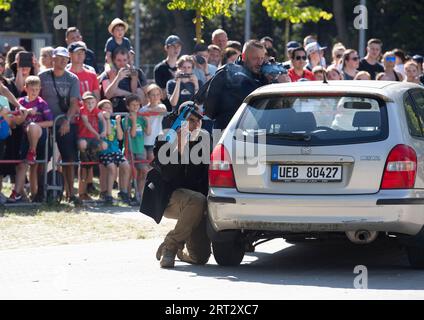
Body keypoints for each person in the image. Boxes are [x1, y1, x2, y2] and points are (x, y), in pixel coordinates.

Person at [143, 101, 211, 268]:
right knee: (196, 200)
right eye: (191, 121)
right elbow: (167, 176)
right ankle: (171, 245)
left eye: (198, 121)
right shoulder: (164, 139)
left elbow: (207, 174)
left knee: (200, 257)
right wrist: (179, 147)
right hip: (169, 198)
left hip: (197, 201)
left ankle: (176, 245)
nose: (195, 125)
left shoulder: (204, 139)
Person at [38, 46, 81, 204]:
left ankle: (71, 194)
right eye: (60, 57)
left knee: (69, 158)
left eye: (66, 58)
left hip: (64, 123)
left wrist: (67, 121)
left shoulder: (72, 78)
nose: (63, 60)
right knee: (42, 158)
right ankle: (39, 193)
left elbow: (74, 103)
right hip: (45, 124)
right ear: (53, 58)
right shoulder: (42, 76)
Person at [204, 40, 268, 131]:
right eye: (255, 58)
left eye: (262, 58)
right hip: (227, 132)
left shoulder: (262, 76)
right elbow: (209, 109)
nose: (260, 63)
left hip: (256, 133)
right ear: (244, 57)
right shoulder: (228, 74)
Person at [8, 76, 53, 202]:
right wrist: (25, 113)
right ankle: (16, 192)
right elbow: (17, 122)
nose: (34, 92)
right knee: (23, 165)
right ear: (25, 88)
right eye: (32, 89)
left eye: (37, 89)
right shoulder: (21, 102)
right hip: (25, 137)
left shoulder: (41, 103)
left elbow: (51, 122)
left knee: (36, 165)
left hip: (40, 135)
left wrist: (37, 125)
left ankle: (35, 193)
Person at [97, 99, 131, 204]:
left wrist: (117, 122)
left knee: (126, 165)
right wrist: (106, 120)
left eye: (109, 108)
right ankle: (108, 194)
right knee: (112, 168)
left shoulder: (113, 122)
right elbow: (108, 133)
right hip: (104, 152)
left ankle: (123, 192)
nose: (108, 110)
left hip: (115, 150)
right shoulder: (99, 122)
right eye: (105, 108)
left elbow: (120, 137)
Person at [121, 94, 151, 201]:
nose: (135, 107)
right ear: (128, 106)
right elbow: (132, 134)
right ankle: (127, 195)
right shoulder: (126, 119)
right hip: (130, 149)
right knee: (130, 172)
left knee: (143, 171)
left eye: (137, 105)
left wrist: (147, 121)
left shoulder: (141, 118)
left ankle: (139, 194)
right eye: (133, 105)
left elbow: (148, 132)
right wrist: (133, 121)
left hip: (140, 149)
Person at [77, 91, 106, 201]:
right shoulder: (82, 110)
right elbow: (86, 123)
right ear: (83, 103)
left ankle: (93, 191)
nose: (90, 104)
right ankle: (81, 193)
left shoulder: (96, 110)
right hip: (85, 138)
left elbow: (102, 118)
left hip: (93, 140)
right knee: (84, 167)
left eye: (92, 102)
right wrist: (97, 134)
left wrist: (104, 131)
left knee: (103, 147)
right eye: (87, 102)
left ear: (95, 102)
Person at [102, 47, 148, 112]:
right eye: (119, 60)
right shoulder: (107, 74)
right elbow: (108, 95)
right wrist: (118, 78)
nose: (122, 63)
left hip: (133, 114)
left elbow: (142, 94)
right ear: (114, 60)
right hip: (115, 113)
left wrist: (120, 92)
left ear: (128, 60)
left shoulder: (136, 73)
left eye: (124, 60)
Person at [153, 35, 182, 111]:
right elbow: (162, 96)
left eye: (178, 46)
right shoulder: (159, 68)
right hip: (167, 109)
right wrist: (174, 79)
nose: (176, 49)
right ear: (166, 48)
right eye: (173, 46)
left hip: (182, 109)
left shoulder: (184, 67)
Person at [140, 84, 167, 161]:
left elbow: (162, 110)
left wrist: (149, 111)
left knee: (154, 164)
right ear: (148, 96)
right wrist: (146, 111)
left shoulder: (162, 106)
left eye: (158, 94)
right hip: (144, 140)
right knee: (144, 165)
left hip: (156, 140)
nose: (155, 97)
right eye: (153, 95)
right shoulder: (142, 109)